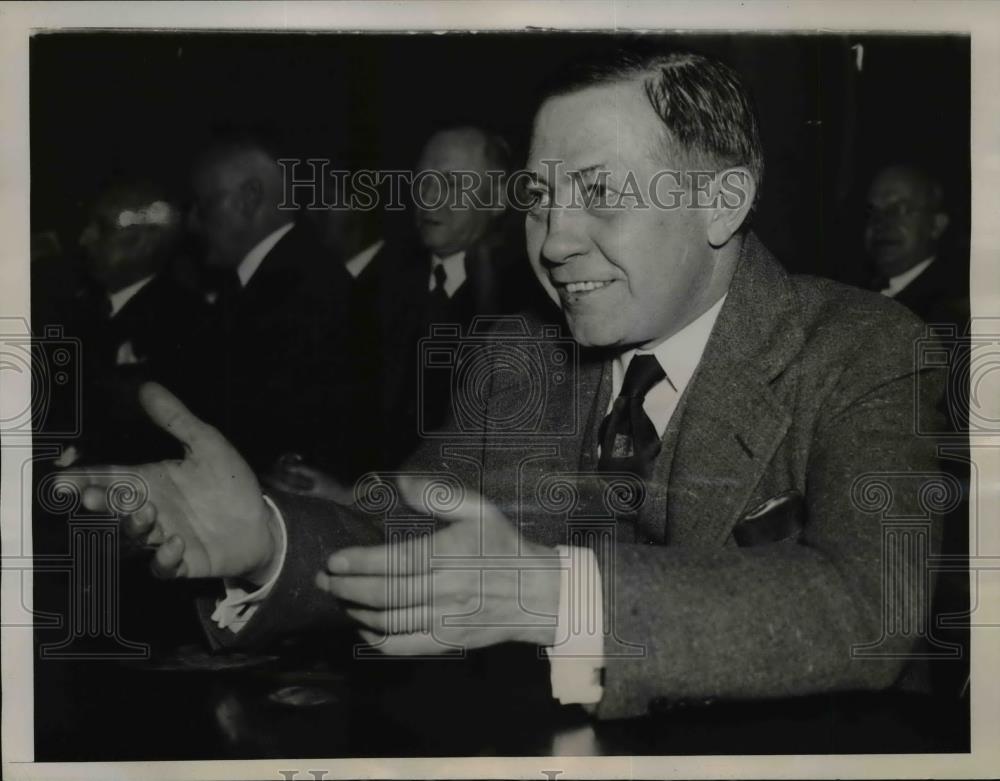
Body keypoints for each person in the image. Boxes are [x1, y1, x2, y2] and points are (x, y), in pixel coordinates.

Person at [68, 47, 947, 721]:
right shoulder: (522, 354)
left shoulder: (866, 348)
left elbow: (872, 603)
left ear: (722, 200)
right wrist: (267, 538)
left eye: (599, 190)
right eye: (537, 196)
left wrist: (552, 593)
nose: (554, 240)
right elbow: (412, 520)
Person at [188, 138, 355, 476]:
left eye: (204, 206)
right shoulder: (261, 284)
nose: (192, 222)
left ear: (250, 198)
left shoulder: (309, 289)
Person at [863, 163, 968, 326]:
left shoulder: (953, 312)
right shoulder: (853, 291)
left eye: (899, 209)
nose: (880, 223)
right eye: (872, 211)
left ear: (936, 225)